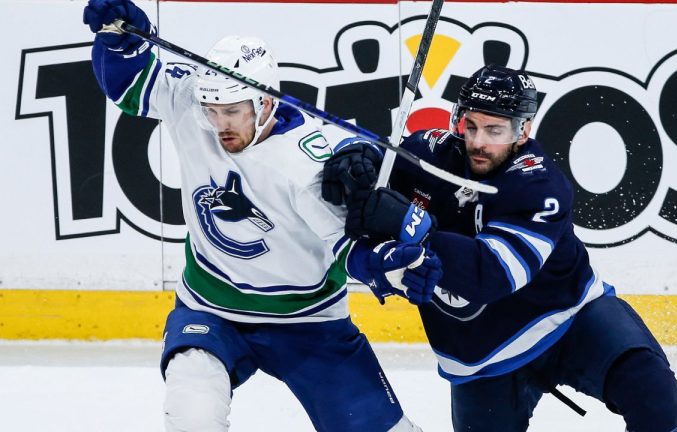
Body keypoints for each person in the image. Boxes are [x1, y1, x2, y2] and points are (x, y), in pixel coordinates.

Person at [82, 1, 443, 431]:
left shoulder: (310, 164)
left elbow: (351, 251)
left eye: (233, 111)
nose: (220, 125)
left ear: (265, 101)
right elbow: (129, 84)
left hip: (309, 323)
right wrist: (117, 41)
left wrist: (393, 267)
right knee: (191, 416)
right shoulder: (194, 105)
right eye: (213, 112)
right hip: (210, 309)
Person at [322, 64, 677, 432]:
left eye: (495, 130)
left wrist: (413, 228)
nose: (478, 142)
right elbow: (375, 162)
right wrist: (353, 153)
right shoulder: (428, 153)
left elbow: (491, 275)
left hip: (570, 321)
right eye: (471, 125)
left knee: (653, 396)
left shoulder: (540, 186)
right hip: (480, 355)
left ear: (523, 130)